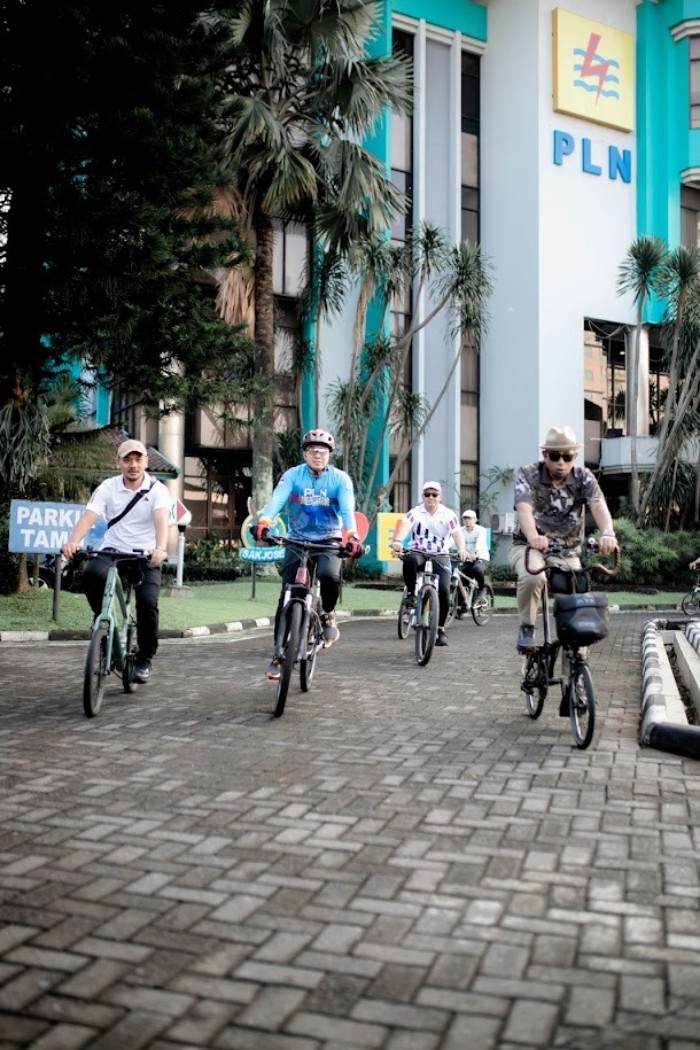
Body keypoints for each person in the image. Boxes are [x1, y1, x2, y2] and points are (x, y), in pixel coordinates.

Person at [252, 429, 363, 680]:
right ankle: (278, 656)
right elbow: (277, 500)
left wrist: (352, 535)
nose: (317, 455)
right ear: (305, 454)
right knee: (287, 595)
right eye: (312, 451)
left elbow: (347, 510)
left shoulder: (340, 480)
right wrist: (265, 522)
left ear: (330, 455)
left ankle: (327, 614)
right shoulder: (293, 475)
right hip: (297, 539)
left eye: (322, 451)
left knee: (328, 575)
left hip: (329, 540)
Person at [62, 439, 171, 683]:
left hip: (145, 555)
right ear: (118, 463)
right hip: (112, 550)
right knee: (91, 574)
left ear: (146, 462)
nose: (133, 465)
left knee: (147, 603)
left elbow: (161, 520)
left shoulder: (158, 490)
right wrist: (73, 541)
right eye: (127, 460)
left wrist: (160, 548)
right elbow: (89, 516)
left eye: (138, 459)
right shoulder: (108, 487)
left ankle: (144, 659)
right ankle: (101, 618)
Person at [509, 425, 618, 652]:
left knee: (578, 595)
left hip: (566, 550)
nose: (561, 462)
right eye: (555, 456)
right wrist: (533, 536)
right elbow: (524, 508)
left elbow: (598, 504)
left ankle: (578, 662)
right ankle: (527, 627)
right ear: (545, 455)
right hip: (529, 545)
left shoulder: (583, 477)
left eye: (567, 457)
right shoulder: (528, 474)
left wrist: (608, 532)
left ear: (574, 457)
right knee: (533, 577)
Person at [391, 481, 467, 647]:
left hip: (440, 555)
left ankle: (440, 629)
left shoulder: (448, 514)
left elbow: (457, 533)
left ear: (440, 497)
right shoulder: (415, 512)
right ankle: (411, 594)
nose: (430, 497)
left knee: (445, 590)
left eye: (434, 494)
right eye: (427, 494)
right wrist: (398, 541)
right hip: (419, 552)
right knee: (409, 560)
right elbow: (405, 526)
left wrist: (462, 549)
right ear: (423, 497)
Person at [456, 509, 490, 616]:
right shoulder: (460, 531)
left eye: (469, 518)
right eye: (465, 518)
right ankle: (461, 607)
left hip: (481, 558)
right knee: (460, 580)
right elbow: (453, 540)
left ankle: (482, 588)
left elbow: (480, 542)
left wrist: (476, 553)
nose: (467, 520)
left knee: (477, 569)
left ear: (475, 519)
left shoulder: (481, 530)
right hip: (468, 559)